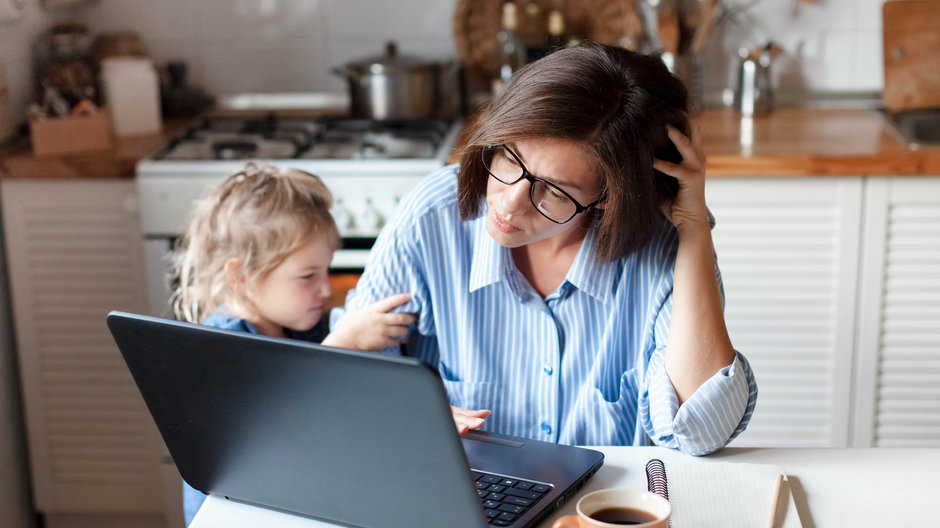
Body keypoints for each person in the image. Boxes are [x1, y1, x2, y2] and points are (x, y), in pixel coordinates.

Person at [338, 42, 758, 455]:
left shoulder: (663, 247)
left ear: (608, 198)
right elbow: (349, 380)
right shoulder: (433, 217)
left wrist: (694, 227)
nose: (510, 201)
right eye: (508, 157)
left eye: (553, 190)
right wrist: (414, 415)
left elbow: (701, 432)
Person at [170, 163, 415, 525]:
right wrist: (345, 342)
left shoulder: (301, 326)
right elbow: (284, 429)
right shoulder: (222, 350)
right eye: (307, 276)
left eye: (326, 270)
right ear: (241, 276)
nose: (326, 289)